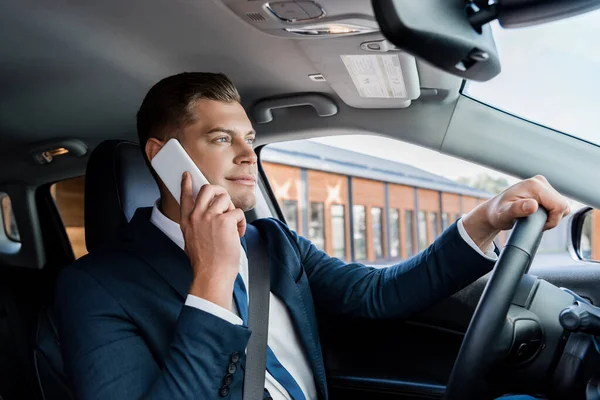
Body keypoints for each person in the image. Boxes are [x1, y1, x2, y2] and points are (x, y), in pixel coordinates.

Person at [55, 72, 570, 400]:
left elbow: (379, 293)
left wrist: (487, 217)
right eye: (220, 139)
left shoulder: (271, 242)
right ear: (161, 156)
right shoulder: (97, 287)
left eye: (249, 140)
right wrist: (211, 278)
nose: (245, 155)